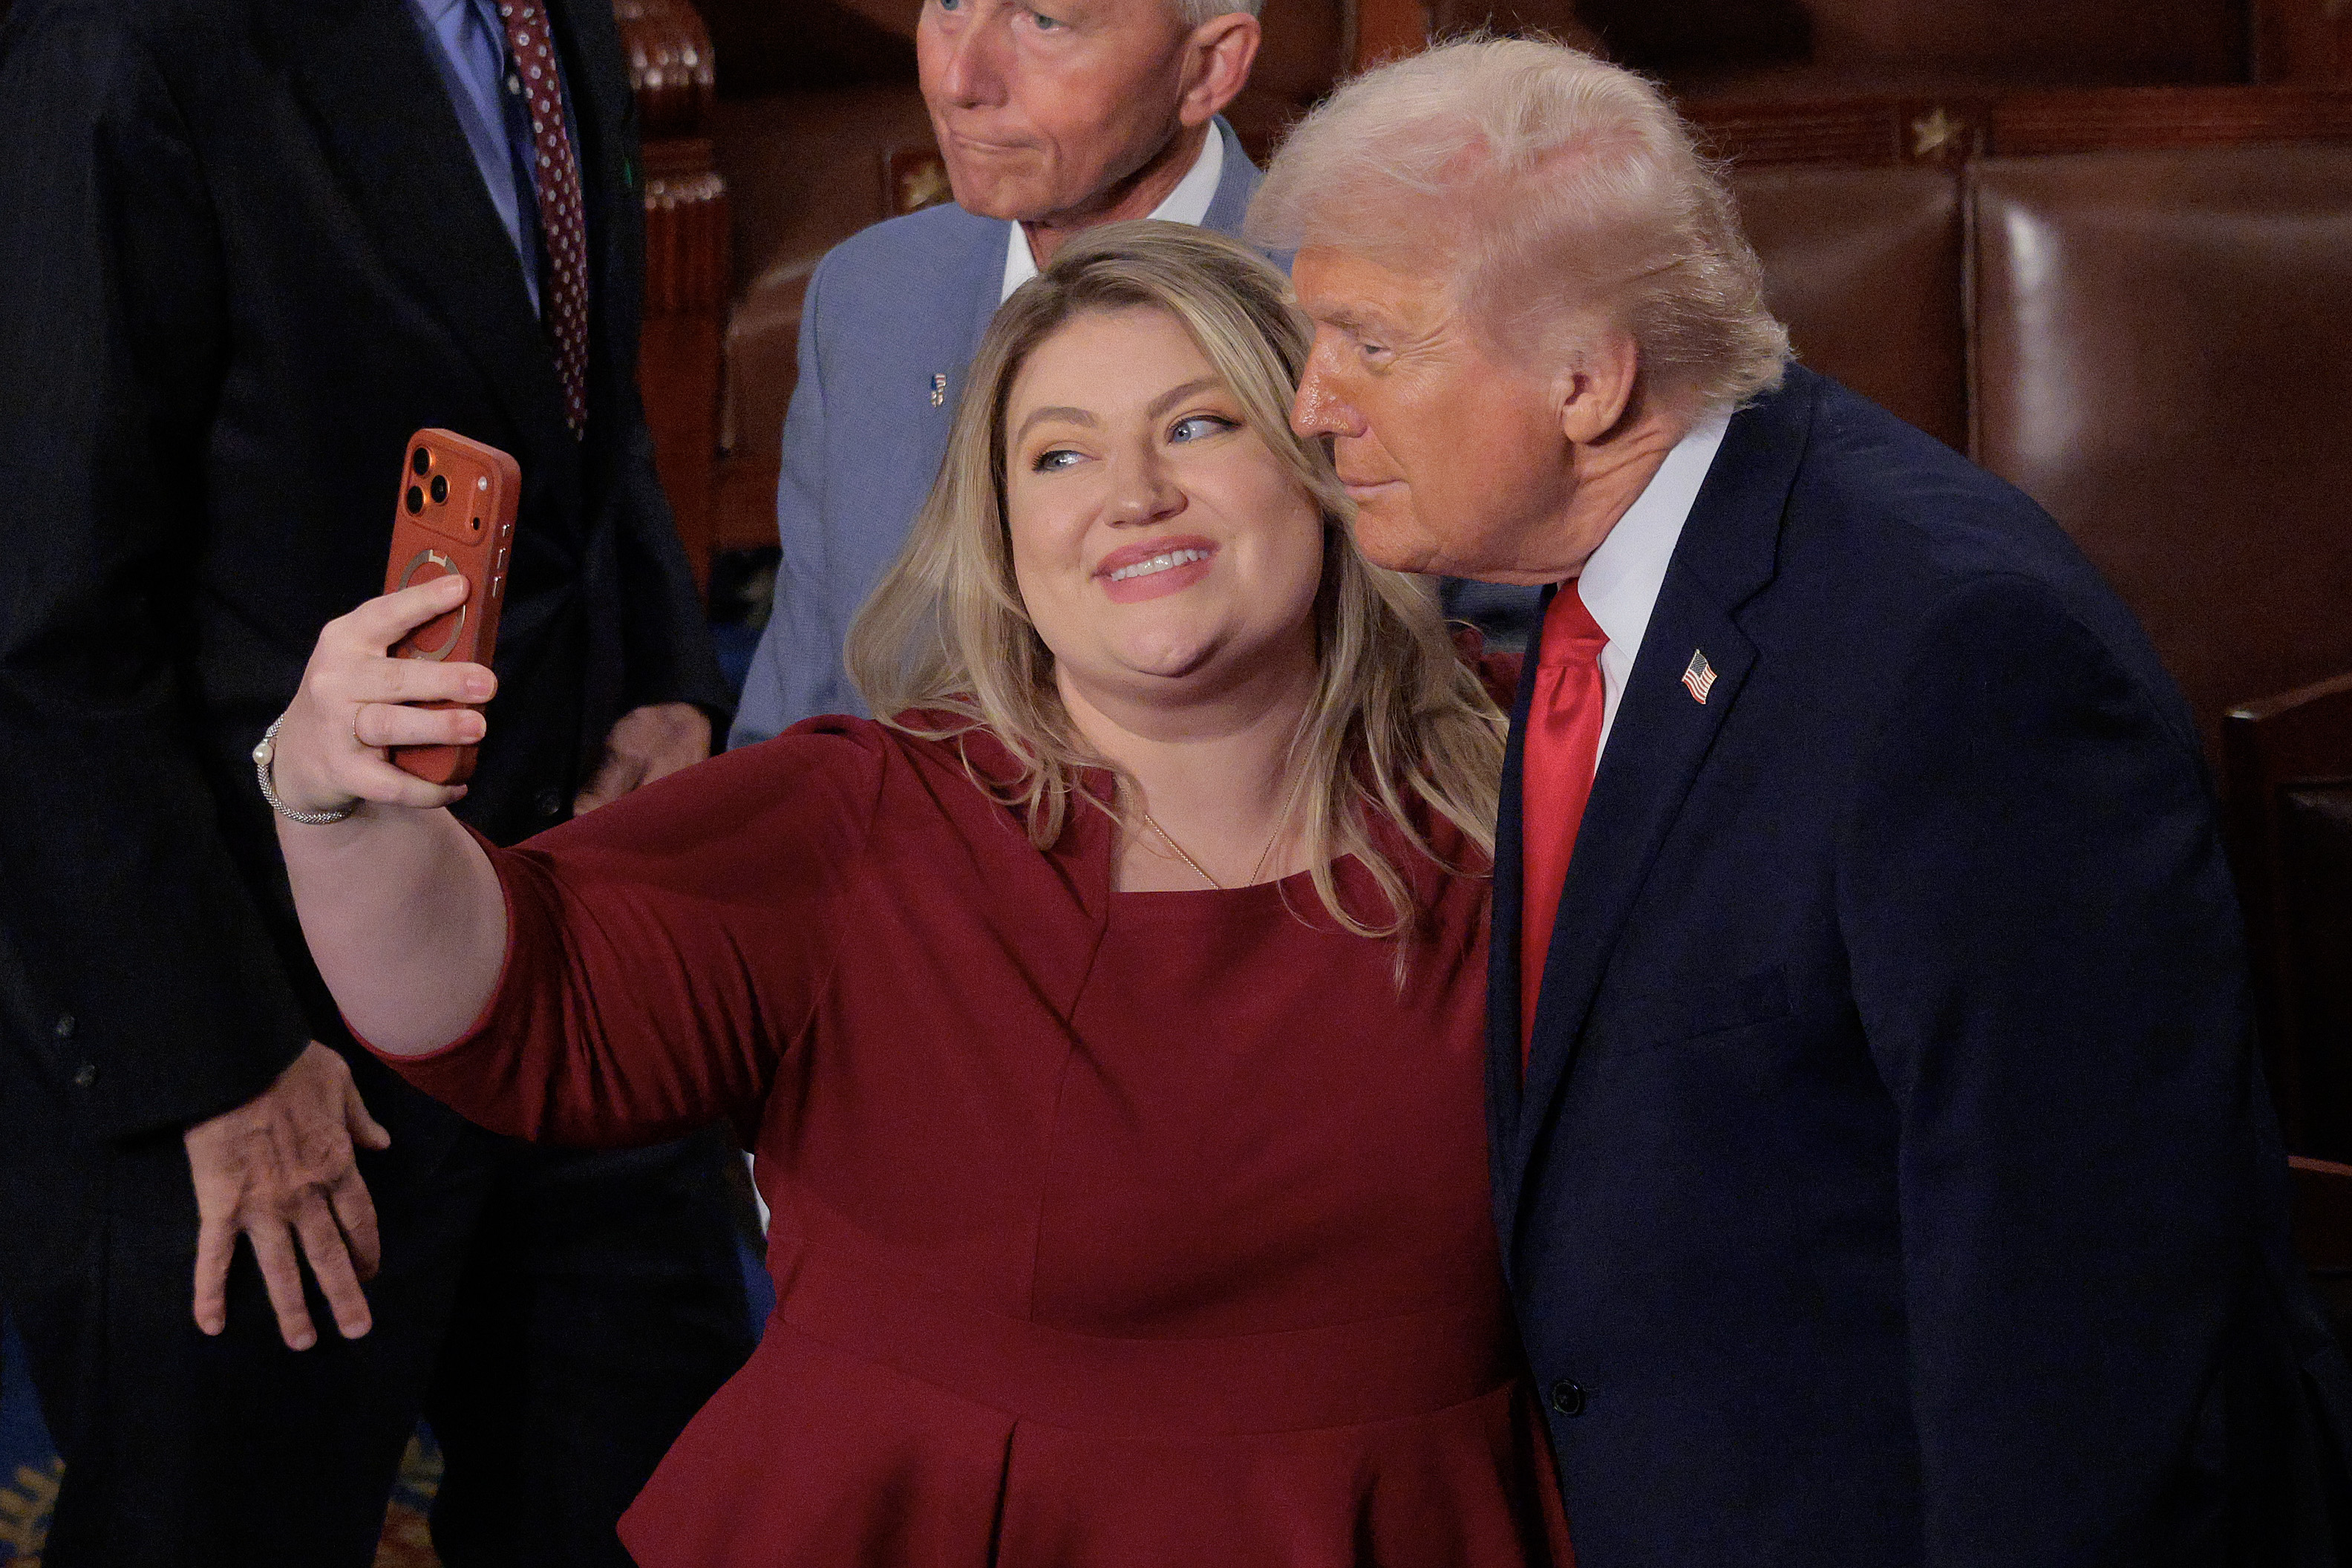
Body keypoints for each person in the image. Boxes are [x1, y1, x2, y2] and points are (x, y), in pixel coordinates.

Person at [262, 223, 1574, 1567]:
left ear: (1322, 460)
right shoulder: (863, 821)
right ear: (1000, 538)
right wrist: (337, 802)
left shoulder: (1524, 786)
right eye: (1058, 455)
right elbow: (495, 997)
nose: (1132, 494)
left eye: (1197, 426)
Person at [1253, 36, 2352, 1567]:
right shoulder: (1603, 578)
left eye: (1370, 343)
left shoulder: (1960, 660)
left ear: (1583, 378)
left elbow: (2082, 1330)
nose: (1314, 404)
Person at [0, 0, 755, 1558]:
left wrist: (669, 676)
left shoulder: (553, 18)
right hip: (257, 1021)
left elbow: (575, 411)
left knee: (654, 1511)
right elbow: (39, 630)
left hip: (564, 939)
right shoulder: (121, 43)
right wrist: (218, 1065)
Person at [728, 0, 1267, 745]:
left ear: (1208, 68)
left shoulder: (1344, 315)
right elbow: (797, 725)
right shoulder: (869, 294)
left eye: (1042, 21)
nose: (958, 81)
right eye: (950, 3)